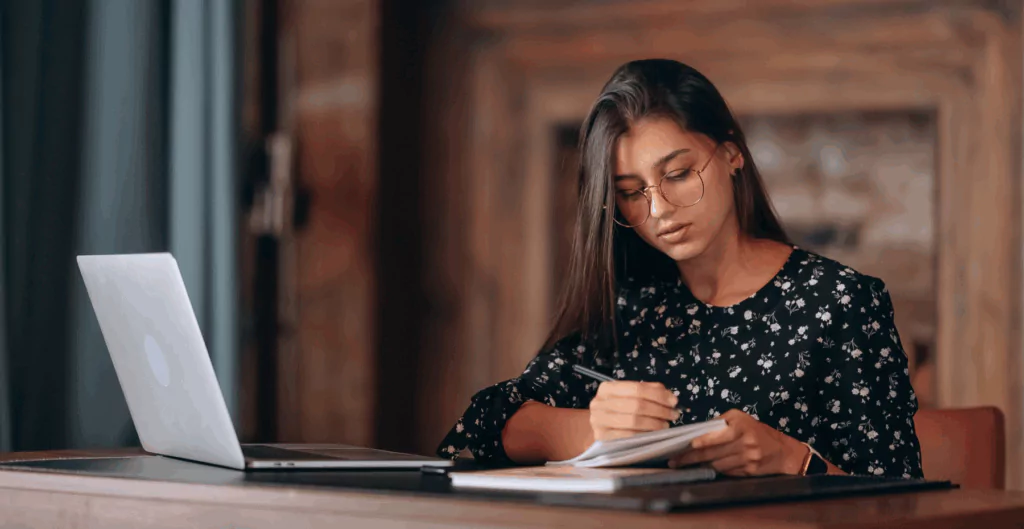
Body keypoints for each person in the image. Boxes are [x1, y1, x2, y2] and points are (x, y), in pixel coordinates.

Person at [437, 59, 923, 478]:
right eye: (631, 192)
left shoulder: (839, 302)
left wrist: (795, 459)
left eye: (677, 175)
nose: (660, 210)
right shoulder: (630, 306)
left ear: (731, 154)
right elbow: (480, 425)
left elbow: (906, 504)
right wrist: (583, 429)